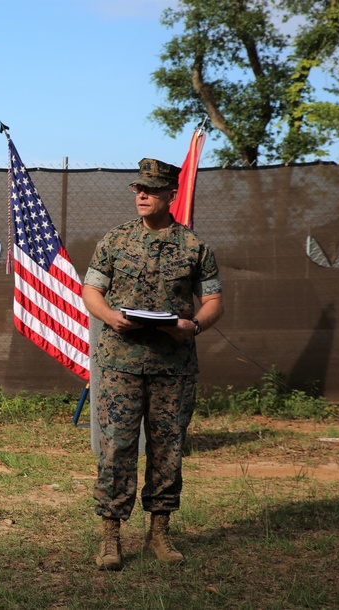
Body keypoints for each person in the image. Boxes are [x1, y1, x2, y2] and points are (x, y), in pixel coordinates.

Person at [82, 158, 224, 571]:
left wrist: (192, 326)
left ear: (170, 195)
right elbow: (92, 291)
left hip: (172, 366)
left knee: (168, 449)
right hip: (120, 364)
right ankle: (110, 537)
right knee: (116, 448)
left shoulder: (194, 247)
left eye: (151, 189)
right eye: (138, 189)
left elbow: (214, 301)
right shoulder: (114, 240)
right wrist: (109, 317)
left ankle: (159, 532)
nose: (142, 195)